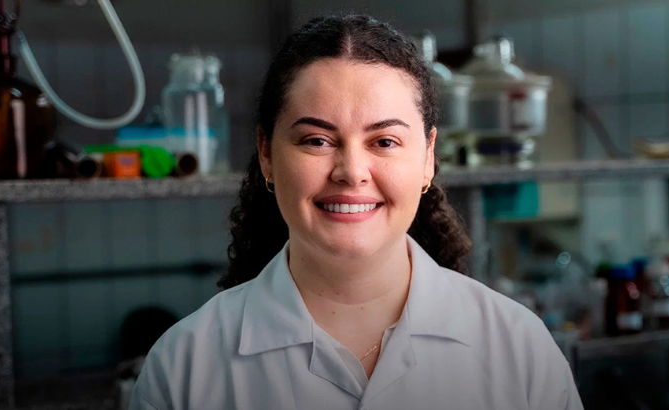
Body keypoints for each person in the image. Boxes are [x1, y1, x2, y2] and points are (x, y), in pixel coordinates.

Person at [128, 14, 583, 410]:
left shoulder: (519, 349)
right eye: (317, 140)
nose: (351, 172)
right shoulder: (184, 367)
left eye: (384, 142)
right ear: (266, 154)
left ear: (427, 158)